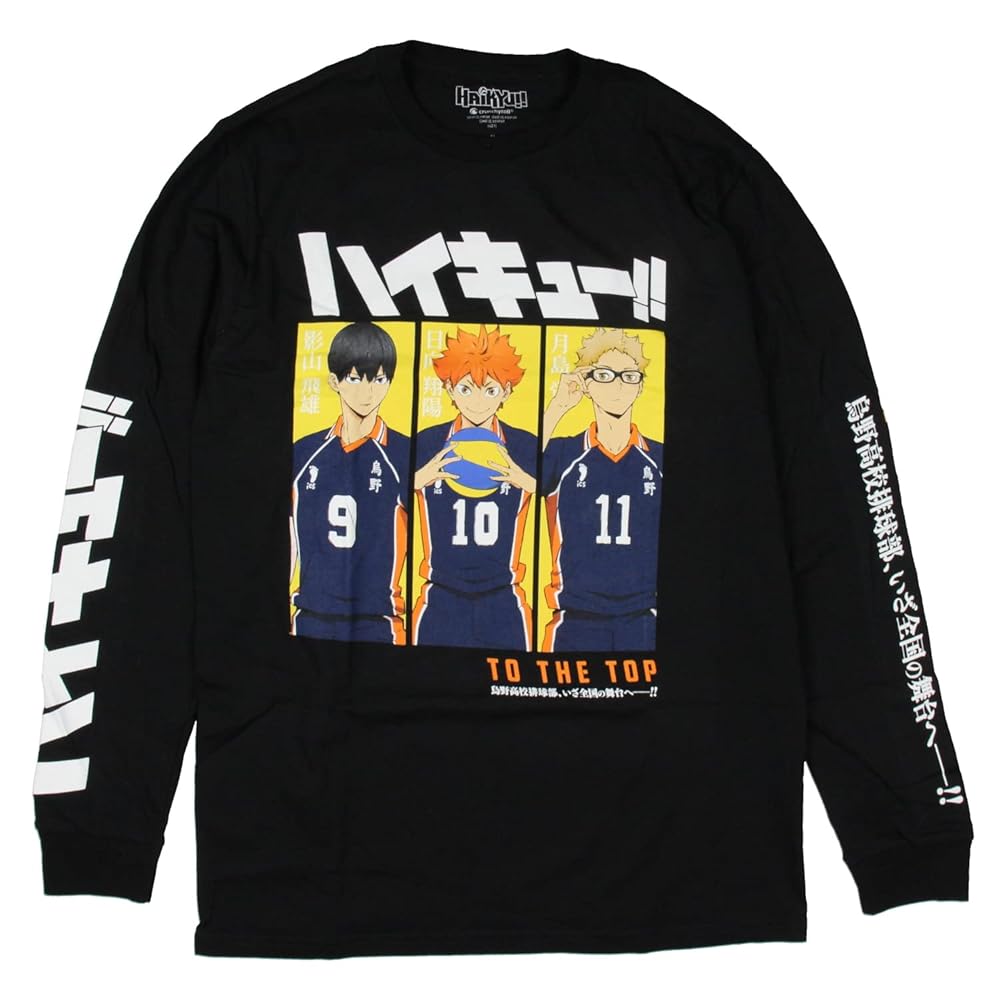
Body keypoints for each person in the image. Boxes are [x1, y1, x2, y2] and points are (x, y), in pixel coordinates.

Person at [412, 324, 536, 649]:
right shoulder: (425, 443)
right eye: (467, 388)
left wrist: (527, 481)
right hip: (439, 594)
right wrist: (416, 481)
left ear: (507, 391)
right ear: (449, 388)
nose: (478, 401)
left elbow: (564, 495)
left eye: (490, 390)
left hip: (504, 596)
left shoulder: (525, 446)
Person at [539, 327, 663, 651]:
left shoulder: (659, 459)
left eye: (629, 376)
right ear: (587, 382)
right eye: (605, 375)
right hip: (575, 618)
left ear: (640, 386)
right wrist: (558, 406)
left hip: (643, 619)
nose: (618, 386)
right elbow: (517, 471)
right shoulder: (564, 453)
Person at [290, 321, 409, 643]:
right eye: (355, 378)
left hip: (380, 620)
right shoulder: (304, 452)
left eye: (379, 379)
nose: (367, 392)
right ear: (334, 381)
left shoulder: (405, 454)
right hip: (309, 615)